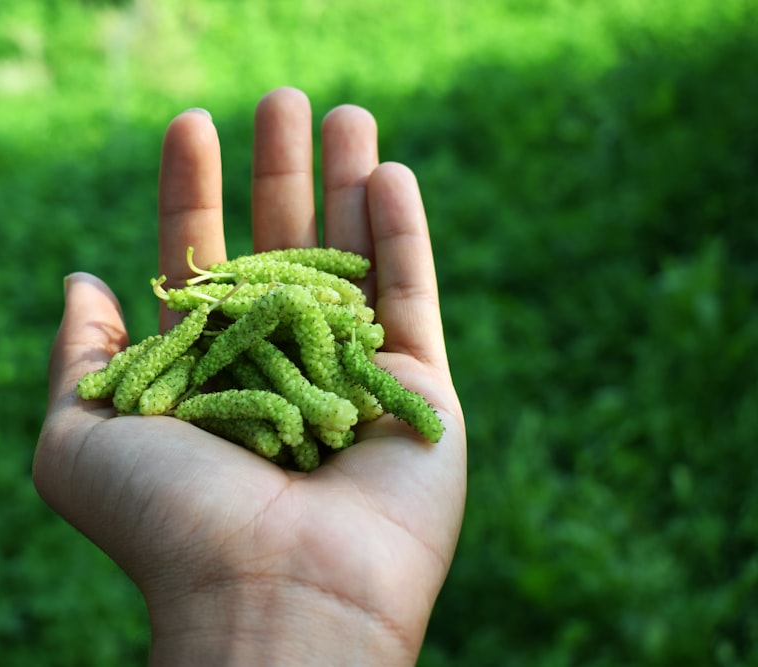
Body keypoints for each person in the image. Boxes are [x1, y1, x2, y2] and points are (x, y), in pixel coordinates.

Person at [33, 87, 467, 665]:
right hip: (242, 381)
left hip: (281, 382)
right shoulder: (201, 353)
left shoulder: (333, 360)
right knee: (278, 406)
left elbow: (320, 377)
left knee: (290, 401)